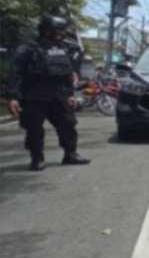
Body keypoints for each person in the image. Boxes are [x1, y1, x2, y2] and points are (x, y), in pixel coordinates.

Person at [5, 15, 90, 171]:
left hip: (59, 96)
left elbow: (67, 75)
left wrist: (71, 94)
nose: (62, 34)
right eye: (59, 31)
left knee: (68, 124)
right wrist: (12, 97)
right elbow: (15, 73)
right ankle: (37, 158)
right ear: (47, 31)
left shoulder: (63, 49)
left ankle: (70, 154)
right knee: (34, 129)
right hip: (34, 96)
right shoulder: (28, 49)